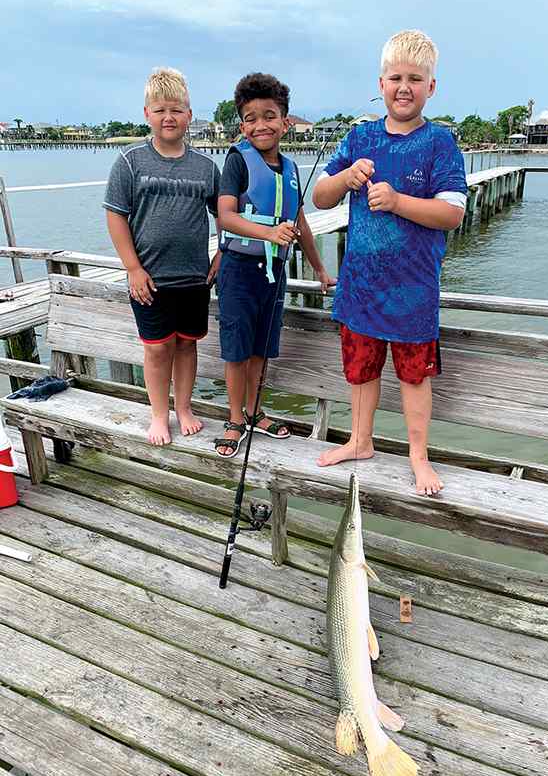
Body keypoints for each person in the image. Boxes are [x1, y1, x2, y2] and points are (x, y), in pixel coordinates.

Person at [312, 30, 467, 495]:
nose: (404, 87)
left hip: (413, 293)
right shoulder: (359, 137)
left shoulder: (440, 143)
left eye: (415, 79)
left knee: (414, 377)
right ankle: (360, 440)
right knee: (360, 371)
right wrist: (344, 176)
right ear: (380, 83)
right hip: (359, 288)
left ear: (431, 88)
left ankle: (418, 456)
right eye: (396, 77)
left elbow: (452, 213)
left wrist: (399, 201)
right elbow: (319, 198)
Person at [215, 72, 334, 458]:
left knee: (261, 350)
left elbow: (302, 225)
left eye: (269, 116)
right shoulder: (237, 161)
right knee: (236, 349)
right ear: (242, 124)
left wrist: (318, 269)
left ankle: (255, 411)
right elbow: (226, 217)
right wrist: (268, 235)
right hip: (238, 271)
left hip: (275, 275)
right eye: (251, 117)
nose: (260, 125)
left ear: (285, 121)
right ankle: (235, 418)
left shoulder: (293, 170)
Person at [103, 66, 220, 446]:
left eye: (176, 110)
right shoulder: (130, 162)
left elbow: (226, 214)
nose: (168, 117)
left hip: (194, 278)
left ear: (189, 115)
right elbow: (115, 215)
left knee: (186, 344)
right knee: (157, 349)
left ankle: (184, 407)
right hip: (150, 279)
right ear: (147, 114)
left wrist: (222, 252)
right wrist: (132, 268)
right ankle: (159, 414)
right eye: (160, 110)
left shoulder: (206, 167)